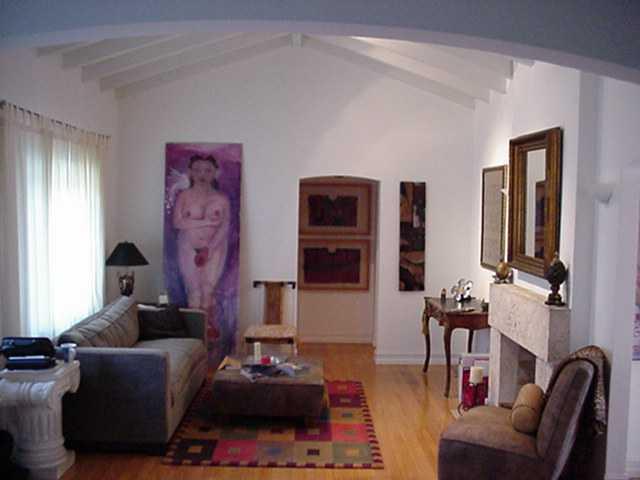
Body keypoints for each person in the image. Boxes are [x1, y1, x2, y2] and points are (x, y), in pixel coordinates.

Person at [173, 154, 230, 338]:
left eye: (207, 170)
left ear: (215, 173)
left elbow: (224, 227)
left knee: (208, 289)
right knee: (194, 290)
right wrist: (206, 222)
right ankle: (194, 334)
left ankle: (207, 329)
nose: (202, 175)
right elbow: (178, 222)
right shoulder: (184, 196)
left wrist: (209, 249)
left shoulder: (221, 199)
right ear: (190, 172)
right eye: (197, 170)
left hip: (214, 248)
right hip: (188, 246)